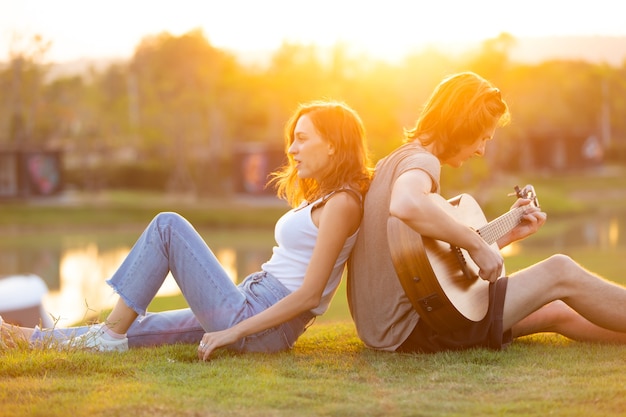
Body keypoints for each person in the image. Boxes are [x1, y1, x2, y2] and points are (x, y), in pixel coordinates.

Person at [1, 100, 371, 360]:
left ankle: (107, 337)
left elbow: (309, 295)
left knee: (167, 226)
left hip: (260, 323)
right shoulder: (324, 198)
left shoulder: (342, 204)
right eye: (293, 138)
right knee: (142, 327)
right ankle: (30, 339)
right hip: (248, 303)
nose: (291, 149)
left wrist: (234, 331)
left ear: (335, 144)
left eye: (302, 139)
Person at [347, 71, 626, 354]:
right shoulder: (422, 161)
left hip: (395, 329)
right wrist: (476, 243)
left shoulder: (392, 161)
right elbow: (406, 204)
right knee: (560, 269)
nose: (481, 150)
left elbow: (427, 261)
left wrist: (504, 235)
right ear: (461, 125)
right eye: (482, 137)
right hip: (422, 326)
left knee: (556, 310)